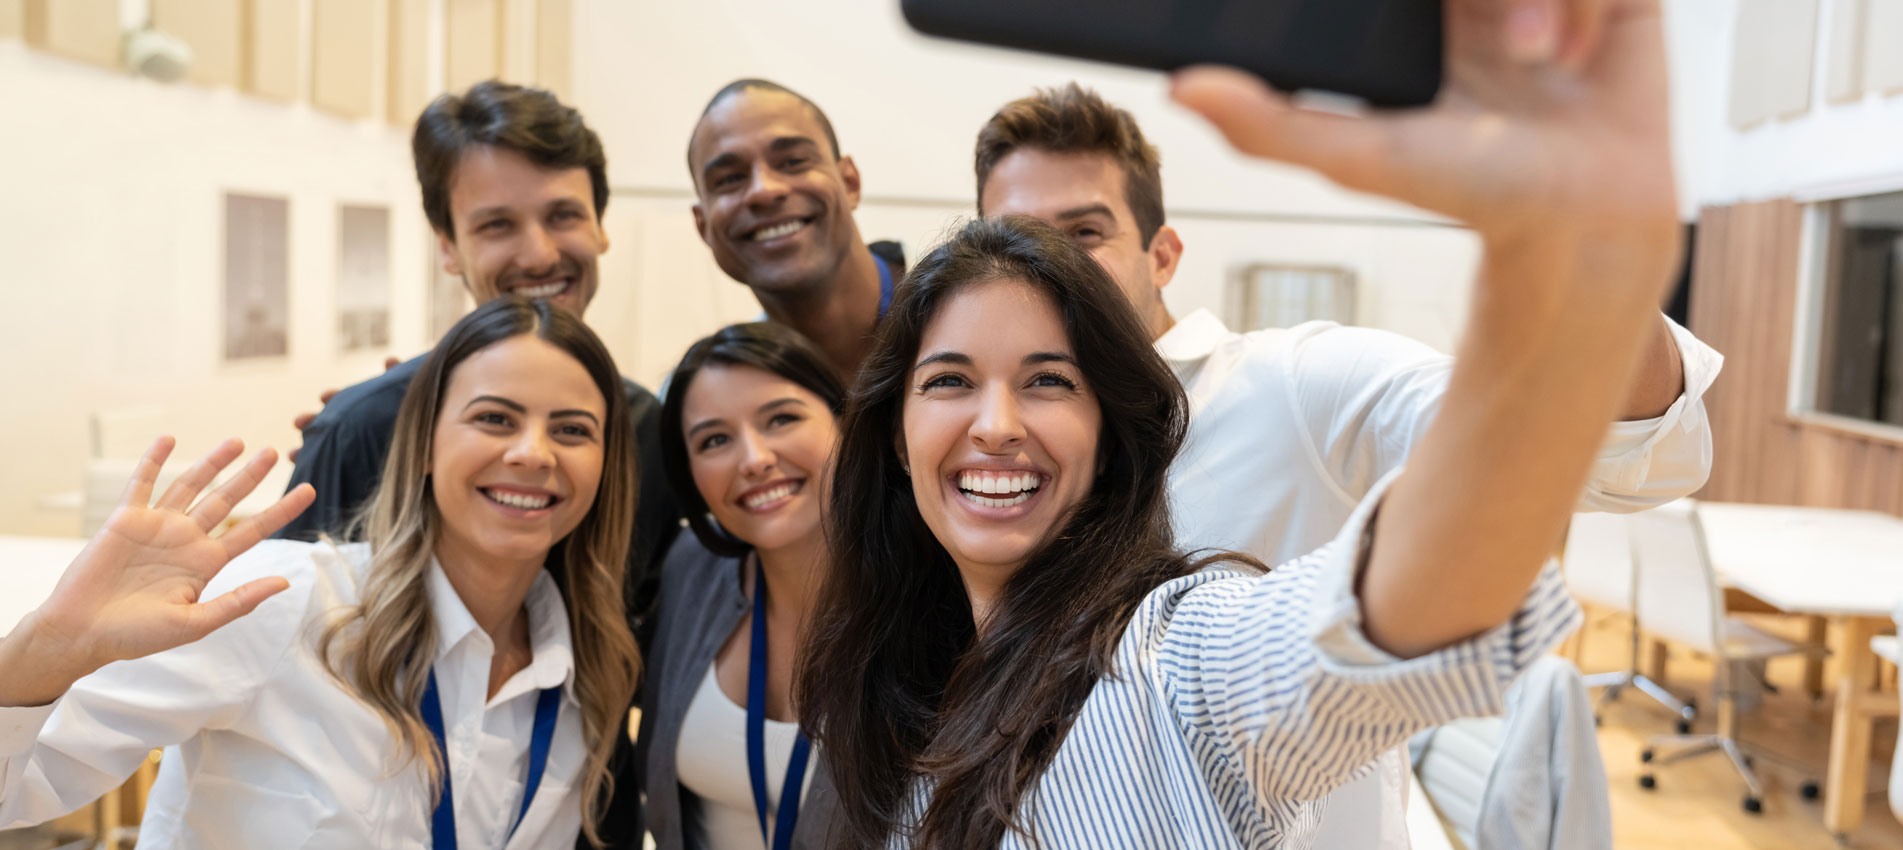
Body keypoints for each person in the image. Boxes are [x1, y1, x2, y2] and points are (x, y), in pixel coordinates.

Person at [798, 1, 1686, 846]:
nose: (995, 423)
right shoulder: (898, 682)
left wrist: (1575, 250)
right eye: (950, 380)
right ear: (893, 434)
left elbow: (1439, 558)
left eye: (1048, 382)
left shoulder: (1177, 654)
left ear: (1114, 439)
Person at [0, 296, 641, 849]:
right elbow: (17, 795)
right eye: (494, 418)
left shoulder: (587, 665)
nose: (533, 452)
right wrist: (51, 644)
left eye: (572, 429)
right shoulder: (286, 603)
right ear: (421, 444)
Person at [278, 81, 680, 599]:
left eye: (563, 215)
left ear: (600, 227)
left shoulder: (647, 430)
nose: (538, 255)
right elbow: (282, 643)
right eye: (497, 225)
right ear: (449, 249)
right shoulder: (363, 431)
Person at [635, 323, 848, 850]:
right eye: (714, 440)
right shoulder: (688, 569)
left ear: (846, 423)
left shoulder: (936, 591)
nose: (753, 459)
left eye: (781, 419)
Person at [687, 79, 906, 376]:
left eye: (793, 161)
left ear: (849, 183)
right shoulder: (710, 399)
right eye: (729, 179)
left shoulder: (967, 315)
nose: (764, 190)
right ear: (703, 227)